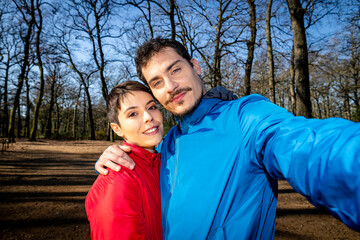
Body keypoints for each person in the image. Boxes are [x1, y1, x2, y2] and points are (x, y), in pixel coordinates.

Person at [96, 38, 360, 239]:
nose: (170, 86)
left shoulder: (246, 117)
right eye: (157, 83)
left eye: (175, 70)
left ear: (195, 67)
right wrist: (114, 154)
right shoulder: (167, 145)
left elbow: (310, 147)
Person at [85, 81, 163, 240]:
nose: (149, 117)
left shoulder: (163, 157)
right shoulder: (118, 178)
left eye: (152, 107)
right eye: (133, 114)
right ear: (117, 129)